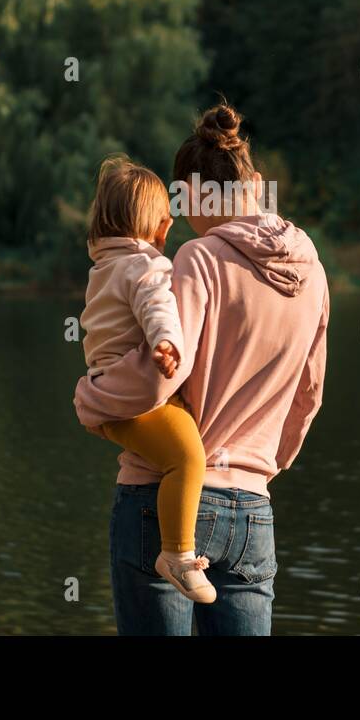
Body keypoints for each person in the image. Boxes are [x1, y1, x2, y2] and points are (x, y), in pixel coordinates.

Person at [74, 103, 330, 635]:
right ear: (255, 183)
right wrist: (259, 469)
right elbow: (309, 394)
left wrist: (91, 397)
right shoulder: (312, 267)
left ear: (189, 197)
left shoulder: (199, 259)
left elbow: (157, 377)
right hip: (253, 511)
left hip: (161, 502)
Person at [79, 155, 215, 604]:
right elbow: (158, 306)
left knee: (178, 440)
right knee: (188, 457)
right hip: (136, 403)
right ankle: (176, 554)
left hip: (110, 396)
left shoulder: (103, 267)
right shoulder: (145, 267)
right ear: (158, 228)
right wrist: (167, 344)